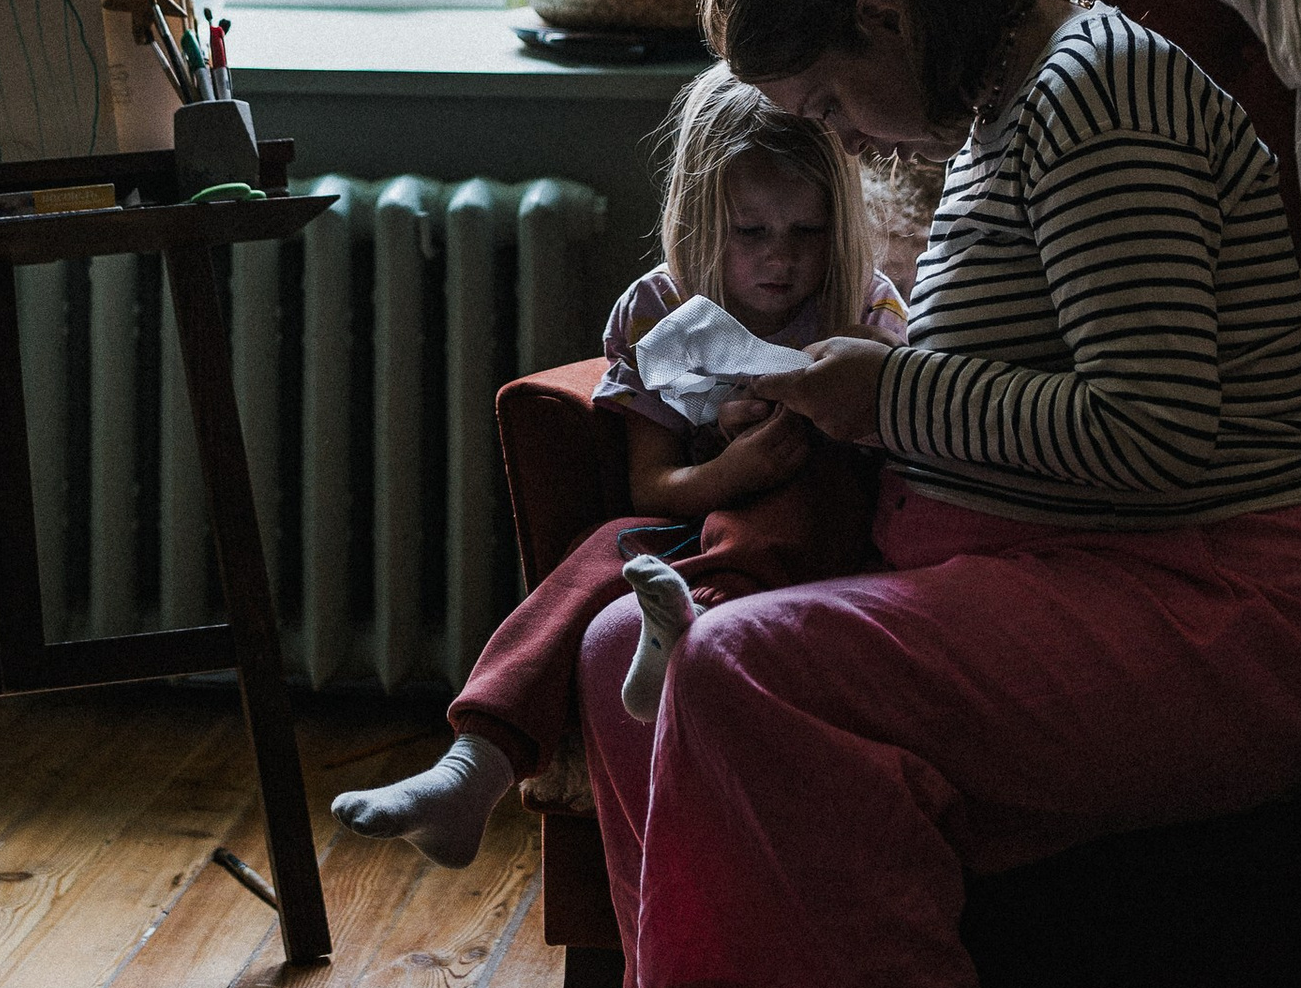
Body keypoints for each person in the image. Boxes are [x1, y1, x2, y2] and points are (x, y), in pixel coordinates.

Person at [572, 0, 1301, 988]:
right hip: (1065, 583)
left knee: (745, 664)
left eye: (828, 102)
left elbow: (1154, 433)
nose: (851, 140)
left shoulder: (1098, 95)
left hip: (1214, 612)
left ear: (885, 20)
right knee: (624, 664)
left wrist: (880, 397)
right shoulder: (1017, 109)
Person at [332, 67, 904, 872]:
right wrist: (732, 465)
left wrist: (817, 408)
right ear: (702, 219)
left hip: (817, 524)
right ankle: (471, 770)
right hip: (697, 511)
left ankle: (692, 619)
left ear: (836, 226)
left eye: (805, 233)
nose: (780, 260)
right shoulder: (660, 311)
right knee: (603, 552)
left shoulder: (863, 305)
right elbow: (653, 488)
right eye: (751, 233)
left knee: (802, 494)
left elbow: (893, 438)